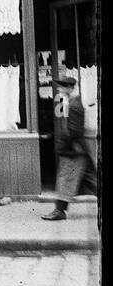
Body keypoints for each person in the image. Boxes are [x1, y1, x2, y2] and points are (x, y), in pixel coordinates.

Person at [43, 76, 99, 220]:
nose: (59, 89)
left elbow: (74, 131)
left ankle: (59, 211)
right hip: (79, 150)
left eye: (62, 87)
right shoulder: (72, 102)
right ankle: (59, 210)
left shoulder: (74, 105)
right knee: (91, 181)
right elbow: (66, 122)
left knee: (65, 180)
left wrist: (63, 146)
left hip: (73, 151)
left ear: (69, 88)